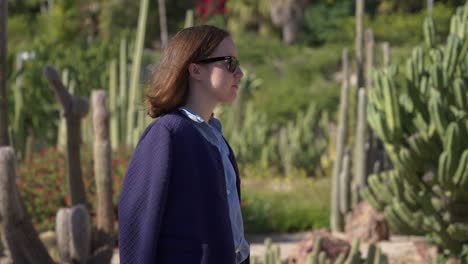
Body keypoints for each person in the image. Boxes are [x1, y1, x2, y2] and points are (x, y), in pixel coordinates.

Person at [118, 25, 250, 264]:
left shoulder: (218, 140)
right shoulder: (167, 133)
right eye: (230, 63)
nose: (239, 72)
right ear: (196, 69)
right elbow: (137, 224)